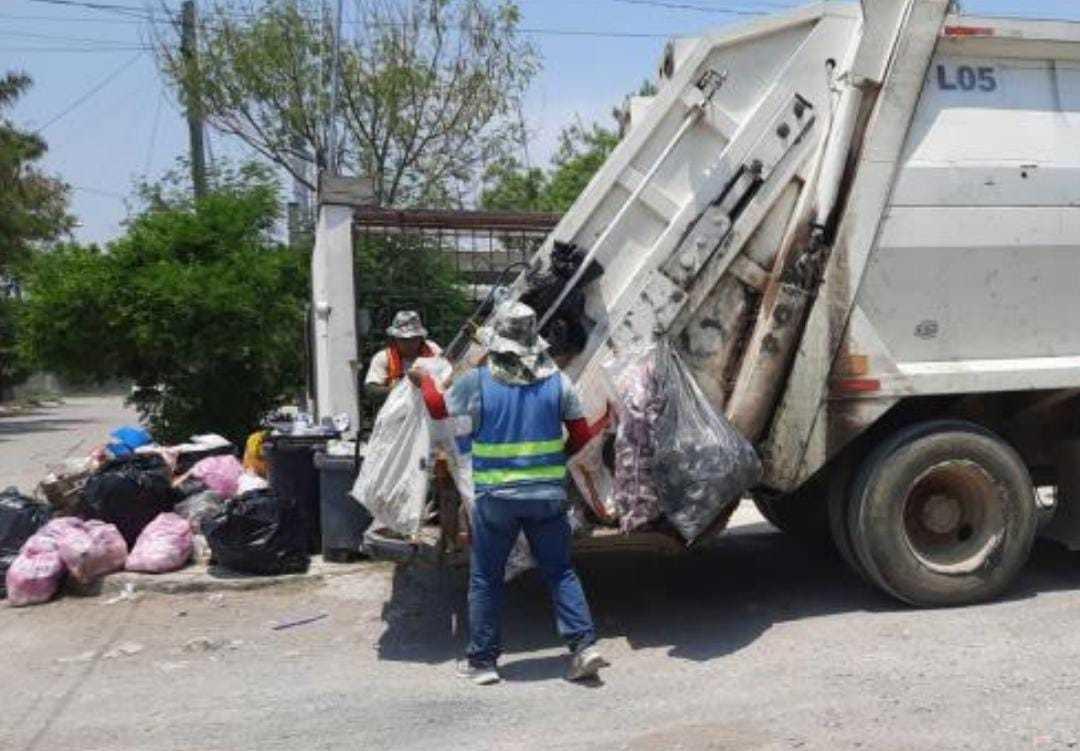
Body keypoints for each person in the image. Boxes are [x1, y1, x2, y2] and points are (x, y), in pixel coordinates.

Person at [409, 302, 612, 686]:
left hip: (496, 499)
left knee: (486, 577)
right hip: (548, 497)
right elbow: (583, 436)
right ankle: (584, 647)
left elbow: (438, 410)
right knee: (560, 571)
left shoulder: (478, 382)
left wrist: (423, 380)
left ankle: (483, 662)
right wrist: (555, 462)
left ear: (498, 341)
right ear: (534, 340)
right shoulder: (559, 383)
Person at [364, 310, 442, 400]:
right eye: (404, 340)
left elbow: (448, 375)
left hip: (429, 408)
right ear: (395, 338)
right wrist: (398, 391)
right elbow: (371, 390)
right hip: (397, 410)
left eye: (413, 339)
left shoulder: (433, 349)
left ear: (420, 338)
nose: (409, 344)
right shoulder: (383, 357)